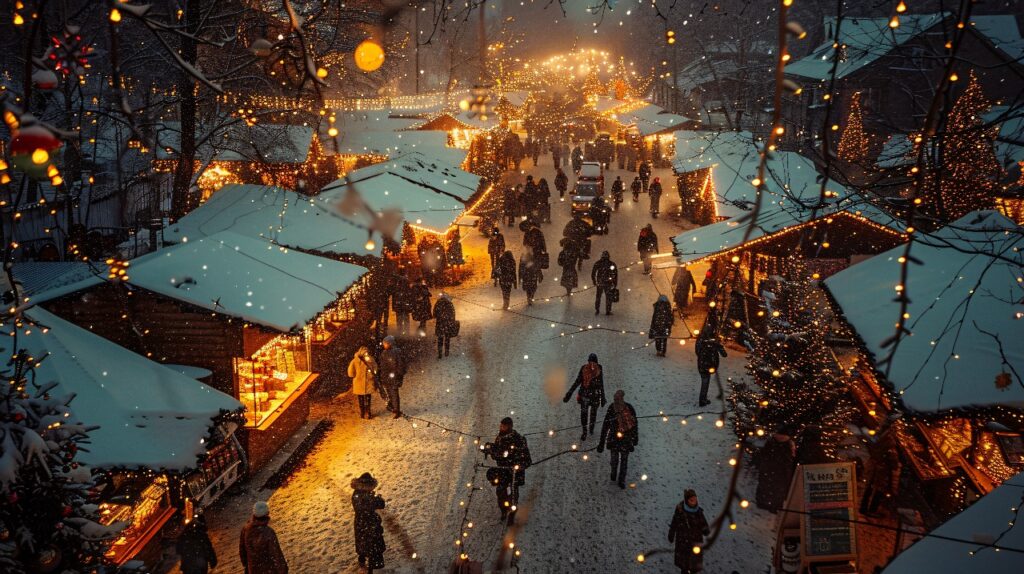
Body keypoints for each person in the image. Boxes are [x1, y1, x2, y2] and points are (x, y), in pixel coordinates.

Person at [483, 417, 532, 525]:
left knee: (513, 494)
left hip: (514, 474)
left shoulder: (519, 440)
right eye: (500, 426)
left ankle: (512, 513)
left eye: (503, 426)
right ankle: (504, 511)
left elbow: (527, 460)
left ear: (509, 426)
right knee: (500, 492)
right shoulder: (499, 438)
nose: (501, 428)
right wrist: (490, 450)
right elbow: (497, 453)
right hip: (502, 471)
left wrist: (518, 466)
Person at [597, 390, 639, 489]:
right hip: (614, 439)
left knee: (624, 461)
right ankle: (613, 472)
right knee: (614, 460)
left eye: (618, 399)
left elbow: (634, 424)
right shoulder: (611, 408)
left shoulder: (629, 408)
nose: (616, 401)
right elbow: (605, 425)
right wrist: (601, 442)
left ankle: (622, 480)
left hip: (626, 439)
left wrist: (635, 437)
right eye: (615, 399)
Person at [860, 424, 902, 517]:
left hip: (873, 465)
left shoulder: (877, 437)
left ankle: (863, 508)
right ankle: (871, 510)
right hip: (881, 470)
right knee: (878, 490)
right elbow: (893, 460)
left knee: (868, 488)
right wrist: (894, 464)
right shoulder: (890, 442)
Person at [563, 353, 606, 441]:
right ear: (588, 362)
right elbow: (577, 381)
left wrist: (603, 397)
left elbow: (601, 383)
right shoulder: (584, 369)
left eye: (594, 362)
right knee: (584, 414)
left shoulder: (599, 369)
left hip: (595, 395)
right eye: (590, 362)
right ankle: (585, 431)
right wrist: (569, 394)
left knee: (593, 414)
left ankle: (591, 428)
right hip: (585, 395)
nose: (592, 365)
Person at [755, 426, 797, 513]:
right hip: (781, 472)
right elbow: (790, 459)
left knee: (767, 485)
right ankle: (775, 505)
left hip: (769, 469)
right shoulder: (789, 444)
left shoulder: (771, 442)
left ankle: (764, 503)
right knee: (778, 488)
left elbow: (763, 455)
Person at [668, 490, 710, 574]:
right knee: (685, 565)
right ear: (687, 501)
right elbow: (674, 523)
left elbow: (703, 523)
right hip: (683, 542)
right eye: (691, 500)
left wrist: (705, 530)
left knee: (694, 566)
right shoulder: (680, 512)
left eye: (695, 499)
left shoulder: (698, 512)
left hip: (696, 542)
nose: (694, 502)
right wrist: (671, 534)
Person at [239, 501, 288, 574]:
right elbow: (276, 554)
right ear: (267, 514)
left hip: (253, 569)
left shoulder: (245, 529)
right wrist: (283, 570)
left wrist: (246, 564)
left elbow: (242, 549)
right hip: (268, 569)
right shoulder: (268, 532)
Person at [351, 472, 386, 572]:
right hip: (369, 523)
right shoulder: (366, 496)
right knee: (372, 545)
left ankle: (361, 560)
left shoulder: (356, 494)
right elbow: (381, 504)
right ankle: (370, 568)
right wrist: (377, 498)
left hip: (360, 522)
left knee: (363, 542)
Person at [695, 328, 727, 406]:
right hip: (709, 365)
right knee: (705, 382)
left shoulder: (701, 341)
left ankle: (703, 399)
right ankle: (702, 400)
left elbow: (697, 351)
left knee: (705, 382)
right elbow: (724, 354)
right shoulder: (714, 343)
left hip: (702, 364)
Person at [378, 336, 406, 418]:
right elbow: (382, 365)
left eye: (385, 343)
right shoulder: (384, 353)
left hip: (393, 377)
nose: (384, 345)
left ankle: (396, 410)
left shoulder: (396, 352)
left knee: (394, 393)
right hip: (387, 376)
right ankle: (394, 408)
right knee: (390, 393)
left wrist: (398, 374)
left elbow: (400, 365)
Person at [348, 346, 378, 419]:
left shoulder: (355, 361)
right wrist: (372, 374)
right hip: (365, 382)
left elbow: (350, 373)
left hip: (361, 383)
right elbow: (375, 368)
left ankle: (363, 413)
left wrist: (356, 376)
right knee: (367, 398)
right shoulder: (368, 360)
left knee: (362, 399)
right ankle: (367, 412)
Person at [591, 251, 618, 316]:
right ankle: (608, 311)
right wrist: (614, 283)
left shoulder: (598, 263)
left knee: (598, 296)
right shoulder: (611, 264)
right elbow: (615, 274)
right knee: (608, 297)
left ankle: (597, 310)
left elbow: (593, 273)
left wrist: (594, 281)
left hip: (600, 282)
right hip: (608, 283)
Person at [433, 293, 458, 358]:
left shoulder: (438, 303)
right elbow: (453, 314)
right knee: (447, 338)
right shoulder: (450, 304)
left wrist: (439, 316)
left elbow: (434, 314)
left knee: (440, 338)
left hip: (440, 323)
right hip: (448, 323)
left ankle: (440, 353)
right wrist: (452, 321)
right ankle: (447, 352)